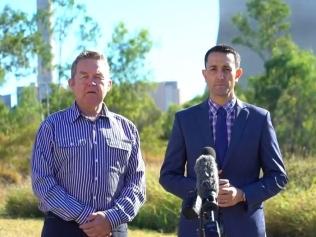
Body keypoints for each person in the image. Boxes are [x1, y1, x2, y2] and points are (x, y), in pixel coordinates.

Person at [159, 44, 288, 237]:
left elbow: (278, 176)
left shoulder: (259, 119)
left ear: (238, 74)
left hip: (245, 228)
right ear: (205, 74)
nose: (220, 75)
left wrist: (243, 194)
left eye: (227, 69)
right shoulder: (185, 120)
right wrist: (202, 189)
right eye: (213, 69)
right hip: (196, 227)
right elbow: (168, 176)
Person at [31, 50, 146, 237]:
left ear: (109, 84)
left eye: (98, 77)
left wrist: (111, 218)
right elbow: (42, 182)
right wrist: (85, 216)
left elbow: (137, 183)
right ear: (71, 83)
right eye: (84, 76)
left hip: (113, 229)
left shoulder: (128, 129)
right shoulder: (50, 127)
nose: (91, 82)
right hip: (63, 228)